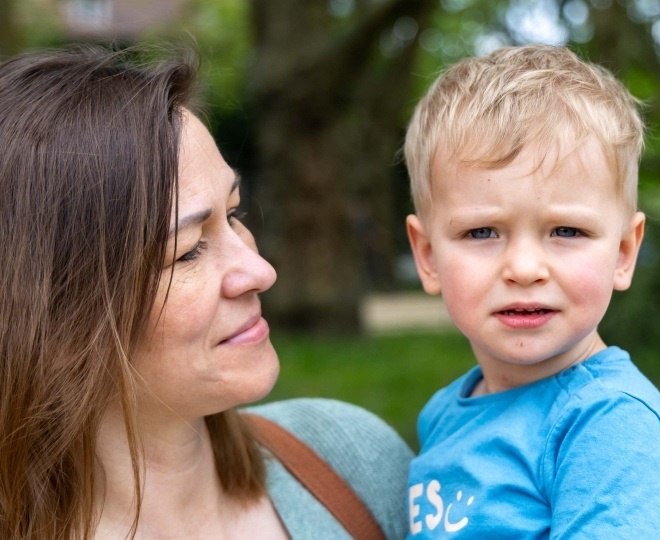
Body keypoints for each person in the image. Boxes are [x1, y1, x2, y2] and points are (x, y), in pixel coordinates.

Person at [0, 45, 411, 539]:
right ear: (49, 318)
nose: (259, 271)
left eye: (234, 215)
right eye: (189, 250)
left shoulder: (350, 461)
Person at [402, 45, 660, 538]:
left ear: (624, 253)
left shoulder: (611, 428)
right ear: (428, 256)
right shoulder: (443, 414)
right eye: (482, 233)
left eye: (566, 231)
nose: (523, 268)